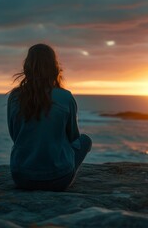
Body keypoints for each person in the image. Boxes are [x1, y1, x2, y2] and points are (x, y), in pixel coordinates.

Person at [7, 43, 92, 191]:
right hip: (58, 179)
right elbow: (74, 137)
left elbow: (15, 135)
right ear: (54, 67)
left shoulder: (15, 96)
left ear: (27, 66)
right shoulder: (65, 97)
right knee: (85, 141)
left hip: (22, 177)